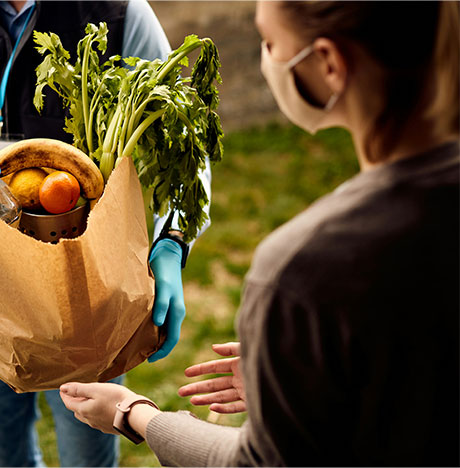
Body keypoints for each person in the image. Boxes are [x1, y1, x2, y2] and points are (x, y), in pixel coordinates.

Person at [59, 1, 460, 466]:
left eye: (270, 42)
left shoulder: (305, 270)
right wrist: (311, 368)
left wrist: (135, 415)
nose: (267, 59)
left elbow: (258, 462)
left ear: (329, 64)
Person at [0, 0, 212, 466]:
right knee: (3, 459)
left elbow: (185, 152)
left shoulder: (119, 11)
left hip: (91, 307)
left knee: (89, 459)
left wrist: (171, 244)